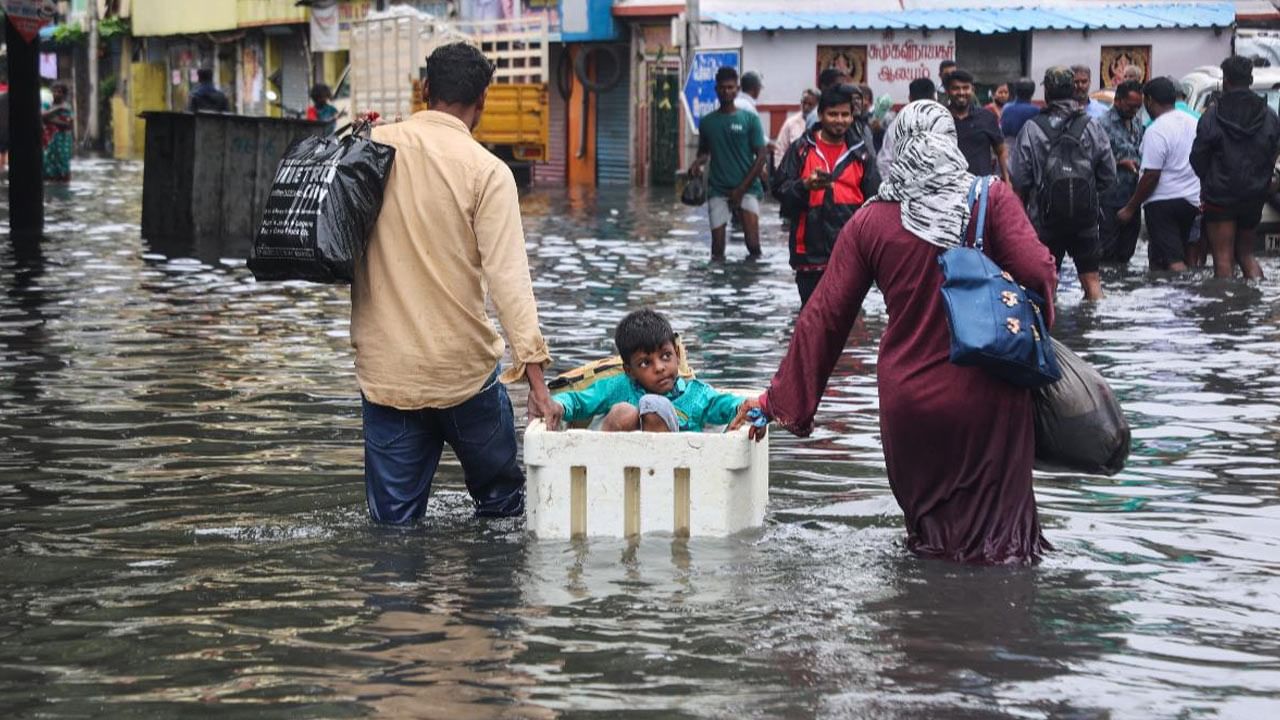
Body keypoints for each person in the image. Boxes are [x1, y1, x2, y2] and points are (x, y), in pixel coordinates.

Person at [731, 101, 1058, 565]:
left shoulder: (871, 219)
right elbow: (1040, 273)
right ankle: (988, 623)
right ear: (950, 142)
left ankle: (922, 627)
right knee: (1002, 547)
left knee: (929, 541)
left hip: (910, 403)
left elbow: (824, 317)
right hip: (989, 395)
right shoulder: (991, 198)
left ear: (897, 147)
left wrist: (778, 403)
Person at [352, 42, 555, 525]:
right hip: (464, 377)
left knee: (392, 532)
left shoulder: (371, 148)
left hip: (388, 377)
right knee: (504, 512)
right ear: (482, 100)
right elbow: (510, 283)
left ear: (425, 90)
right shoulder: (487, 172)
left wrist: (359, 134)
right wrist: (537, 384)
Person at [544, 309, 747, 433]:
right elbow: (579, 401)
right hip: (616, 478)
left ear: (677, 354)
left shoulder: (696, 394)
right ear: (629, 370)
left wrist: (747, 407)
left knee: (655, 407)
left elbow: (727, 404)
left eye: (666, 356)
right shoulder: (618, 386)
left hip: (678, 479)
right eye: (644, 363)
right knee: (624, 412)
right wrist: (560, 406)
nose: (659, 367)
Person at [1011, 66, 1115, 300]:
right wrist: (1085, 196)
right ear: (1072, 91)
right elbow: (1109, 174)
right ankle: (1093, 329)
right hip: (1085, 219)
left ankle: (1050, 330)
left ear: (1047, 92)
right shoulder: (1092, 125)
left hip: (1045, 220)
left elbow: (1019, 179)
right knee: (1092, 280)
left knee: (1047, 281)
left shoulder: (1031, 129)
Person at [773, 85, 881, 305]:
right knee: (811, 320)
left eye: (844, 115)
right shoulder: (801, 149)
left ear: (852, 117)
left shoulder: (861, 155)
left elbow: (875, 203)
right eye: (833, 114)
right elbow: (778, 190)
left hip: (850, 254)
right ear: (821, 115)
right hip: (809, 255)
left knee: (843, 323)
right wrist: (804, 186)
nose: (839, 120)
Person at [1191, 55, 1280, 280]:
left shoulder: (1212, 116)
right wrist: (1262, 179)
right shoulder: (1269, 116)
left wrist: (1209, 179)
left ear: (1226, 80)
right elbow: (1274, 152)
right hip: (1254, 195)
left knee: (1222, 259)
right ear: (1250, 80)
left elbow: (1198, 156)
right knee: (1246, 255)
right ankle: (1258, 303)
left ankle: (1226, 310)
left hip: (1220, 197)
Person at [1117, 77, 1202, 272]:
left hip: (1163, 204)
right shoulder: (1194, 123)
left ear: (1149, 101)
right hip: (1192, 201)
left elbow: (1151, 175)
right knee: (1167, 258)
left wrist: (1130, 208)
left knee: (1173, 261)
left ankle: (1187, 298)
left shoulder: (1156, 130)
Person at [688, 66, 769, 260]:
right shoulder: (707, 122)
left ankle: (750, 282)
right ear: (716, 89)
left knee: (753, 246)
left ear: (737, 89)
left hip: (748, 189)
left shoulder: (749, 119)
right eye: (723, 88)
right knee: (716, 250)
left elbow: (761, 157)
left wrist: (741, 189)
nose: (726, 91)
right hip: (718, 189)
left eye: (730, 87)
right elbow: (705, 151)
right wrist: (697, 164)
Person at [1097, 80, 1146, 264]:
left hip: (1132, 196)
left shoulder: (1136, 123)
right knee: (1107, 252)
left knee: (1127, 252)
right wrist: (1118, 163)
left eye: (1138, 107)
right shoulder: (1101, 124)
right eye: (1131, 106)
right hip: (1109, 198)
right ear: (1117, 101)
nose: (1134, 110)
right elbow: (1091, 158)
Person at [945, 70, 1009, 181]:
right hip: (948, 189)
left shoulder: (986, 117)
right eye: (956, 88)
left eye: (966, 88)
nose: (961, 92)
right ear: (948, 91)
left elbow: (1001, 151)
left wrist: (1007, 180)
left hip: (981, 190)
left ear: (972, 90)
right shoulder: (940, 118)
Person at [876, 77, 935, 178]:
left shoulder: (897, 125)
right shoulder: (942, 123)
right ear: (934, 98)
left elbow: (884, 162)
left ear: (910, 98)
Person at [772, 88, 818, 169]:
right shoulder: (791, 123)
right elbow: (780, 149)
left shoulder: (821, 124)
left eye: (810, 104)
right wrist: (779, 170)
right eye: (804, 103)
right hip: (792, 172)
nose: (806, 107)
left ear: (817, 105)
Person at [41, 82, 74, 182]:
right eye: (54, 91)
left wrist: (50, 120)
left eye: (59, 92)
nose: (56, 94)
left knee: (63, 162)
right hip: (48, 138)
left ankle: (64, 182)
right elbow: (42, 116)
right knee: (47, 161)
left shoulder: (67, 107)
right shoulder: (48, 105)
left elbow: (68, 125)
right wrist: (58, 109)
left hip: (63, 139)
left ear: (64, 94)